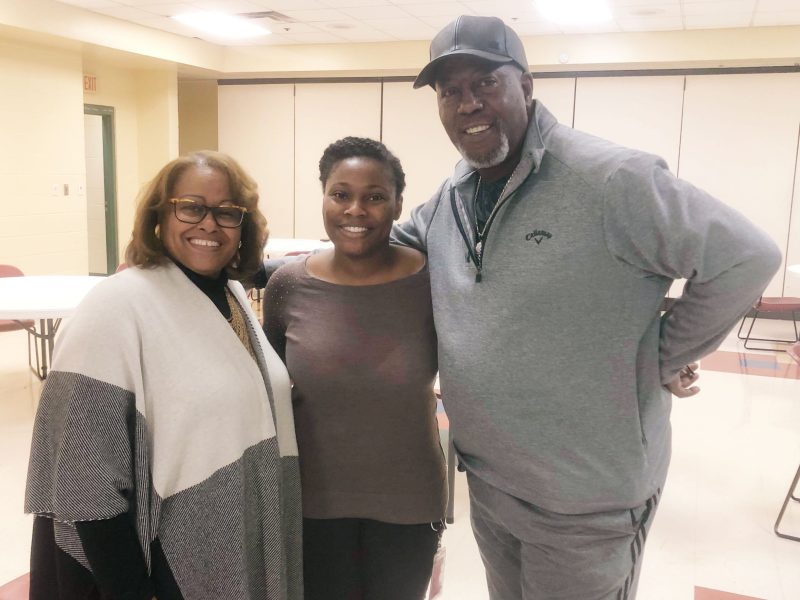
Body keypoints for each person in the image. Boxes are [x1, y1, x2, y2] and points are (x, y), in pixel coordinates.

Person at [389, 15, 784, 600]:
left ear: (525, 86)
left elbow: (745, 257)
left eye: (485, 83)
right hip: (493, 486)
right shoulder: (453, 196)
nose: (467, 104)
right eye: (450, 92)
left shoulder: (610, 179)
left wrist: (659, 353)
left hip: (586, 503)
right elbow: (389, 247)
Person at [25, 151, 302, 600]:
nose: (209, 224)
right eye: (191, 207)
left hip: (240, 540)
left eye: (226, 212)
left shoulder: (230, 295)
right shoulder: (115, 307)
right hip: (167, 563)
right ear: (159, 213)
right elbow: (83, 486)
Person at [263, 137, 446, 600]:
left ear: (398, 204)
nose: (356, 210)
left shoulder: (433, 282)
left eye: (375, 196)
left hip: (409, 503)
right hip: (310, 503)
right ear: (323, 196)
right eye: (341, 194)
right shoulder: (288, 286)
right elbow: (266, 394)